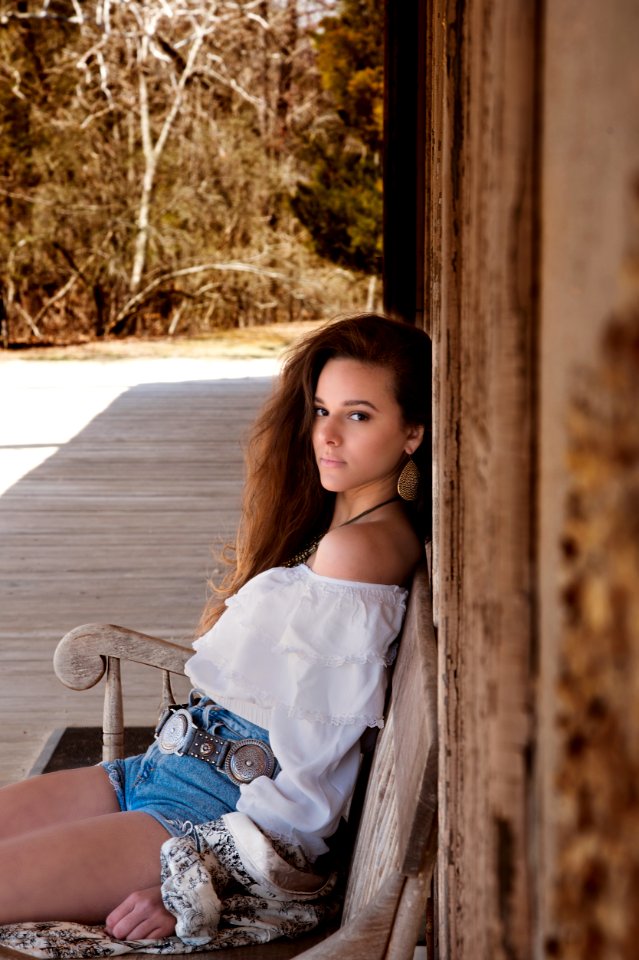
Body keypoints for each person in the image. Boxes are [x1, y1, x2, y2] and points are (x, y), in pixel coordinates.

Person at [0, 313, 432, 942]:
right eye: (321, 410)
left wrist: (194, 878)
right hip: (156, 769)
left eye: (358, 415)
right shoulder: (336, 530)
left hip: (201, 817)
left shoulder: (359, 552)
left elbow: (313, 782)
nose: (328, 436)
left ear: (412, 432)